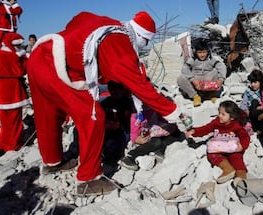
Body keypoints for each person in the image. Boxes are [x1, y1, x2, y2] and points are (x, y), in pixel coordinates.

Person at [27, 10, 183, 196]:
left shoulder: (109, 23)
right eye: (147, 41)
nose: (145, 45)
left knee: (48, 113)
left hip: (39, 55)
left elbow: (79, 17)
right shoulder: (120, 43)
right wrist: (173, 111)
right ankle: (88, 178)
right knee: (93, 117)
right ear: (142, 36)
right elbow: (139, 85)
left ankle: (52, 162)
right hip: (56, 66)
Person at [185, 100, 250, 186]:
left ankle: (241, 175)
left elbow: (245, 137)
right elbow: (206, 128)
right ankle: (228, 169)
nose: (219, 116)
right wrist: (194, 131)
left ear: (232, 117)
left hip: (232, 148)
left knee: (236, 157)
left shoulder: (236, 126)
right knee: (211, 154)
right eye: (219, 113)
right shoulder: (216, 122)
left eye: (223, 114)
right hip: (220, 147)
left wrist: (241, 146)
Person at [0, 33, 29, 157]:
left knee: (5, 121)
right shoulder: (15, 57)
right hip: (14, 90)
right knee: (15, 120)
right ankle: (13, 145)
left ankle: (2, 145)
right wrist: (23, 57)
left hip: (1, 90)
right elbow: (23, 70)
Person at [121, 104, 185, 171]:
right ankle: (130, 156)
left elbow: (163, 121)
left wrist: (168, 128)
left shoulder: (154, 109)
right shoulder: (137, 116)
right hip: (146, 138)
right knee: (157, 142)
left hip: (156, 132)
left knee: (175, 133)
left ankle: (158, 150)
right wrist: (137, 140)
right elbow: (133, 134)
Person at [177, 39, 226, 107]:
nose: (202, 55)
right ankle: (195, 97)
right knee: (181, 78)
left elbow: (222, 67)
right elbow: (185, 68)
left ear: (207, 52)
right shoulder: (193, 60)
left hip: (208, 85)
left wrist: (221, 79)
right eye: (199, 52)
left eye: (204, 52)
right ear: (196, 52)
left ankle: (212, 95)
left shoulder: (211, 59)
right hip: (196, 85)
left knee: (215, 71)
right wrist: (193, 80)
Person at [100, 81, 134, 167]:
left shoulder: (127, 102)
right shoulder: (107, 102)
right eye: (112, 91)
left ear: (122, 90)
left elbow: (129, 118)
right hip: (108, 127)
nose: (114, 93)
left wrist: (118, 123)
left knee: (119, 140)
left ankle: (111, 157)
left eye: (117, 91)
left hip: (122, 128)